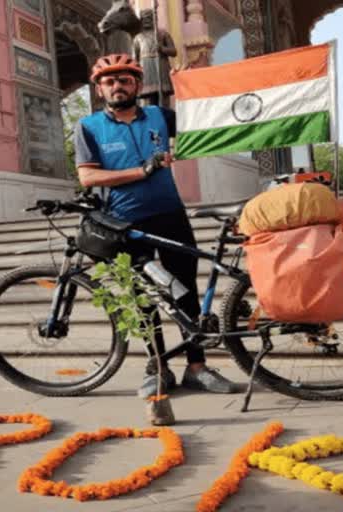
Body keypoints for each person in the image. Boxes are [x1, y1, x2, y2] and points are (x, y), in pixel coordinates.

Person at [74, 54, 242, 399]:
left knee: (185, 293)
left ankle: (197, 367)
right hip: (125, 223)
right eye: (109, 81)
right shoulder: (89, 127)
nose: (117, 86)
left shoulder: (159, 117)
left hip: (170, 216)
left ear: (137, 85)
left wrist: (193, 85)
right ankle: (160, 368)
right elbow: (88, 176)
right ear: (99, 89)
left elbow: (206, 121)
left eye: (124, 80)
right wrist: (142, 170)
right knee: (144, 298)